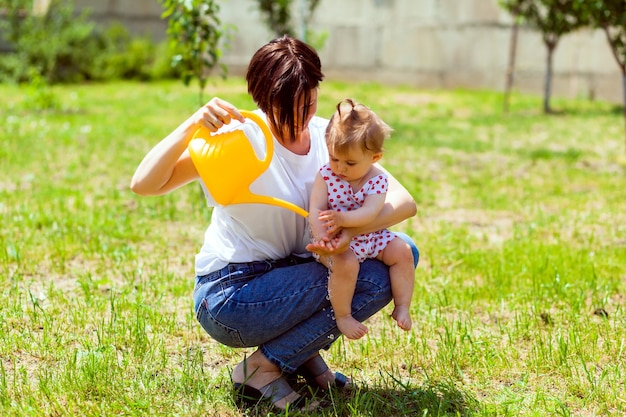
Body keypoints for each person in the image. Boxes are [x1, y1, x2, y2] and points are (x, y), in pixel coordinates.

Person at [130, 35, 419, 412]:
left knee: (401, 253)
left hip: (293, 274)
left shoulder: (326, 136)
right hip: (232, 295)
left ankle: (294, 356)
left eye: (308, 104)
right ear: (262, 101)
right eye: (286, 110)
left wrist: (348, 229)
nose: (299, 120)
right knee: (363, 275)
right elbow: (144, 184)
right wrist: (192, 125)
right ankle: (260, 370)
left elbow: (403, 202)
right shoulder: (238, 142)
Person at [308, 98, 415, 340]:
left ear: (375, 158)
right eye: (334, 158)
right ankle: (343, 315)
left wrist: (343, 219)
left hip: (369, 233)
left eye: (350, 163)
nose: (340, 168)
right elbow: (315, 208)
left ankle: (402, 305)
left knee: (403, 251)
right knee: (346, 264)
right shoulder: (326, 175)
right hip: (335, 239)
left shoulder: (377, 180)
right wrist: (321, 236)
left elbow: (370, 213)